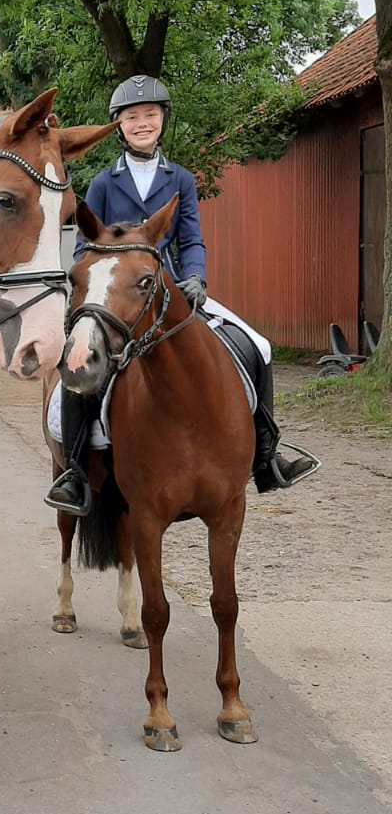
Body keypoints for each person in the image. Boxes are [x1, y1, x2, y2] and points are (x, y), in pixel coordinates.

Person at [45, 73, 320, 513]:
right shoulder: (102, 183)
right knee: (78, 370)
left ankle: (267, 456)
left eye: (149, 114)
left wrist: (196, 278)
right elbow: (86, 247)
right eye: (131, 117)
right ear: (119, 126)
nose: (142, 123)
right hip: (118, 301)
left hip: (174, 292)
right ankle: (75, 474)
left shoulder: (181, 180)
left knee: (260, 345)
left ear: (162, 120)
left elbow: (191, 239)